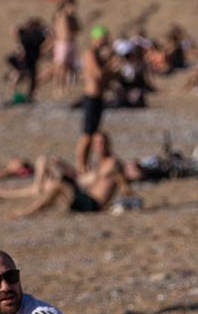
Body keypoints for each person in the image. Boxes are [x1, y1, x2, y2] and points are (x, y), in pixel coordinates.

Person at [7, 133, 134, 218]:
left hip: (92, 204)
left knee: (58, 185)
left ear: (108, 144)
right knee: (56, 180)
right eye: (96, 143)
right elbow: (81, 178)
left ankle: (27, 212)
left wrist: (125, 191)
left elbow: (123, 182)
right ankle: (32, 205)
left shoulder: (113, 162)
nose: (99, 146)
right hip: (86, 198)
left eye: (101, 142)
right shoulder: (100, 163)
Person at [75, 26, 112, 174]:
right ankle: (80, 165)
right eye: (103, 39)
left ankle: (86, 163)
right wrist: (111, 64)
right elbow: (98, 74)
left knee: (93, 133)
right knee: (86, 134)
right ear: (96, 39)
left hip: (98, 98)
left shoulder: (99, 55)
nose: (105, 42)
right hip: (91, 97)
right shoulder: (89, 54)